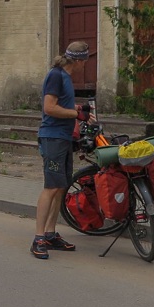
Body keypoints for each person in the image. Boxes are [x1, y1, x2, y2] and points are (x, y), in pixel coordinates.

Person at [31, 41, 95, 259]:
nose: (84, 65)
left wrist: (79, 110)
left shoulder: (65, 78)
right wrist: (75, 114)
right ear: (79, 60)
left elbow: (64, 107)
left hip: (64, 138)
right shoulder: (56, 75)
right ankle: (38, 238)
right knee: (51, 187)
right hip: (52, 138)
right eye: (84, 61)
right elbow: (49, 107)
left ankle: (50, 234)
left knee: (61, 186)